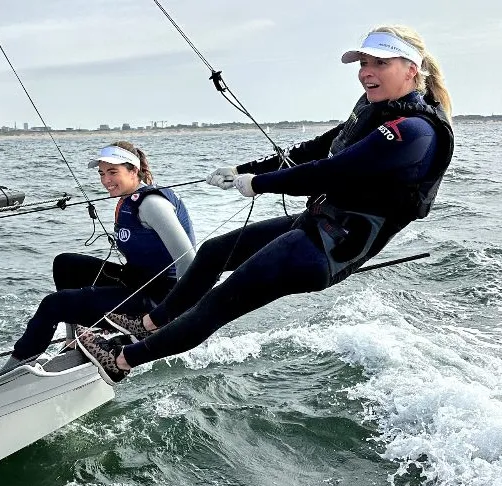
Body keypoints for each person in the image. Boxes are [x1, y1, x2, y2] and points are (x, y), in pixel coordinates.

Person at [76, 25, 454, 385]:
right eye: (363, 64)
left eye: (379, 63)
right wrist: (242, 169)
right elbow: (314, 149)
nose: (366, 72)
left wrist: (257, 184)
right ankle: (148, 323)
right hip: (317, 223)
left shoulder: (414, 132)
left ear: (412, 68)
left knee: (219, 304)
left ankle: (121, 359)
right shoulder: (376, 109)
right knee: (214, 251)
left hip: (328, 249)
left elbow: (329, 171)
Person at [2, 141, 197, 369]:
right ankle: (74, 341)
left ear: (134, 170)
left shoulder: (151, 204)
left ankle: (9, 372)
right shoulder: (131, 199)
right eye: (102, 173)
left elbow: (190, 262)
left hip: (159, 299)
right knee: (65, 264)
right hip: (138, 281)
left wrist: (171, 318)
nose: (105, 180)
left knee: (52, 305)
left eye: (113, 172)